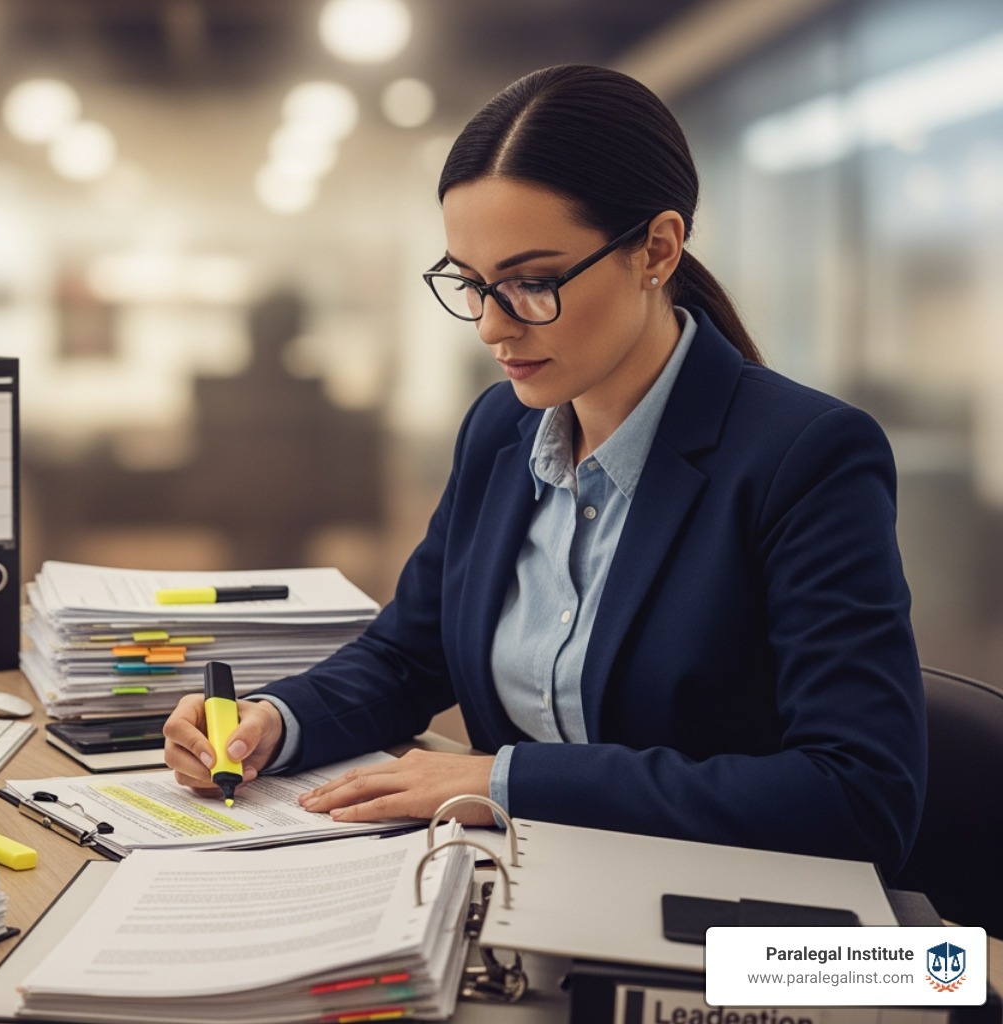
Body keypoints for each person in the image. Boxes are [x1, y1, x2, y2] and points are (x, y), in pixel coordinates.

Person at [163, 64, 926, 876]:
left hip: (737, 939)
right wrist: (274, 721)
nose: (492, 326)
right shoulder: (501, 430)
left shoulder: (804, 456)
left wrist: (505, 779)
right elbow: (410, 654)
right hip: (521, 890)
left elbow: (859, 797)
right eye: (470, 283)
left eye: (532, 283)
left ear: (657, 250)